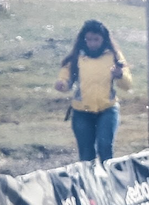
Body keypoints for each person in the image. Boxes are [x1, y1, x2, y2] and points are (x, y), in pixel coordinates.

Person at [56, 19, 132, 162]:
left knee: (105, 148)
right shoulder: (77, 57)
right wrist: (62, 84)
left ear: (103, 39)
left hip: (107, 110)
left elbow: (127, 85)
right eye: (89, 39)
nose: (92, 43)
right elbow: (66, 77)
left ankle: (108, 182)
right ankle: (88, 183)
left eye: (96, 39)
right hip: (81, 112)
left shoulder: (114, 56)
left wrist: (120, 75)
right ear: (84, 39)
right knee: (86, 155)